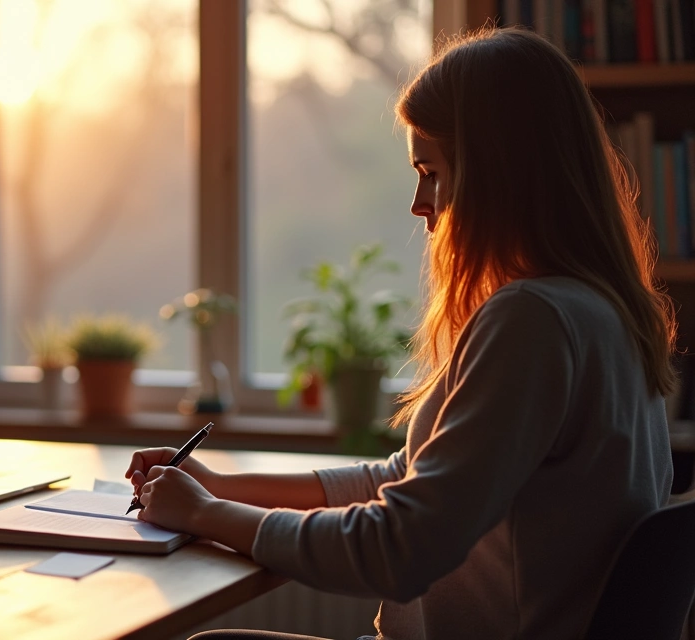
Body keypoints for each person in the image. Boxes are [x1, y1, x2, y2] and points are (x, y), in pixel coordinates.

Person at [127, 27, 675, 640]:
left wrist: (209, 514)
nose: (419, 203)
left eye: (432, 171)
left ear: (499, 174)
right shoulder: (600, 311)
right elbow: (407, 477)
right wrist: (221, 487)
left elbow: (400, 549)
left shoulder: (534, 320)